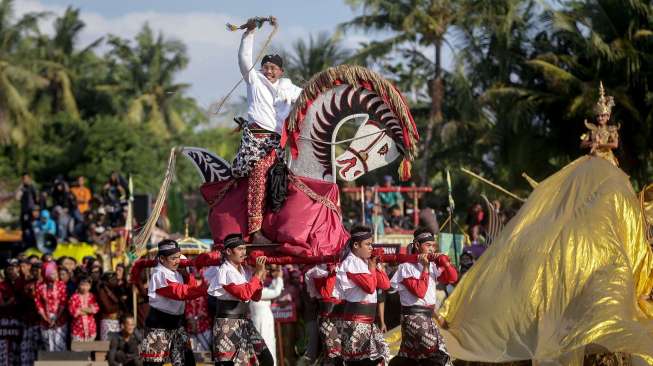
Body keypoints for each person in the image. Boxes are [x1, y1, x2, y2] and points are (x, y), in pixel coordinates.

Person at [439, 84, 653, 363]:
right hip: (590, 169)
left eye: (604, 116)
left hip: (607, 170)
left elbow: (613, 146)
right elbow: (585, 146)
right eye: (599, 116)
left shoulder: (612, 146)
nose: (601, 120)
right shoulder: (592, 148)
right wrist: (593, 145)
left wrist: (605, 145)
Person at [231, 17, 302, 243]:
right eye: (266, 67)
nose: (269, 71)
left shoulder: (290, 91)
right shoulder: (254, 80)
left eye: (273, 68)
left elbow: (310, 98)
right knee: (260, 174)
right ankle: (255, 231)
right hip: (256, 140)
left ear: (281, 71)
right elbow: (244, 58)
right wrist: (249, 33)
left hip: (278, 143)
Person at [390, 228, 457, 366]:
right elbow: (419, 292)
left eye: (433, 245)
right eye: (428, 245)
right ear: (417, 245)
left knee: (412, 358)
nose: (432, 249)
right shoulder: (406, 266)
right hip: (414, 318)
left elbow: (452, 278)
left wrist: (445, 262)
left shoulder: (432, 264)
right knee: (438, 356)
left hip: (427, 317)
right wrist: (425, 268)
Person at [208, 233, 274, 366]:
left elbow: (256, 297)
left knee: (267, 359)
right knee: (227, 364)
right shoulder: (225, 271)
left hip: (245, 322)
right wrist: (257, 275)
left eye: (245, 249)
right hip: (227, 324)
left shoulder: (245, 270)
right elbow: (244, 294)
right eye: (240, 249)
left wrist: (259, 277)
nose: (244, 252)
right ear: (228, 251)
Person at [139, 239, 207, 366]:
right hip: (159, 323)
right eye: (173, 258)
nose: (178, 261)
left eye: (178, 257)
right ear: (162, 259)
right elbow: (178, 292)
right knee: (154, 362)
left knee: (186, 361)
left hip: (178, 323)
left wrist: (187, 275)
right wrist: (203, 289)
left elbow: (190, 288)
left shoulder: (178, 272)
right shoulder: (159, 274)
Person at [334, 225, 391, 365]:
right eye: (367, 244)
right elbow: (370, 287)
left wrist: (377, 265)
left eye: (371, 244)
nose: (371, 248)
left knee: (379, 360)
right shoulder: (350, 262)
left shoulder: (366, 261)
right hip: (355, 323)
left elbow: (385, 285)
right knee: (360, 363)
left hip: (369, 323)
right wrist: (372, 267)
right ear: (355, 245)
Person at [305, 263, 342, 366]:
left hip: (342, 315)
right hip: (327, 315)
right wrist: (332, 273)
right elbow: (326, 293)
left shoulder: (344, 265)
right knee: (333, 353)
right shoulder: (316, 272)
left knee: (342, 354)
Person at [249, 264, 284, 365]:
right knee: (266, 346)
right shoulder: (255, 287)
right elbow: (276, 292)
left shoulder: (258, 286)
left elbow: (272, 290)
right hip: (261, 321)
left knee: (270, 344)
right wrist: (279, 277)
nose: (267, 272)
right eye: (265, 270)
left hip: (265, 319)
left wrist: (276, 277)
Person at [34, 261, 68, 351]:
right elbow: (38, 303)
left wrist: (55, 318)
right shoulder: (39, 286)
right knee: (48, 344)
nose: (56, 275)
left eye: (55, 272)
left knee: (60, 343)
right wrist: (46, 318)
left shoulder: (62, 285)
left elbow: (63, 303)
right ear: (46, 275)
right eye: (52, 273)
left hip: (60, 318)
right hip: (45, 319)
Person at [184, 270, 212, 352]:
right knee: (194, 354)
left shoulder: (207, 286)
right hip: (191, 329)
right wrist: (190, 320)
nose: (197, 270)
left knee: (205, 355)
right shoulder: (187, 286)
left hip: (205, 327)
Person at [68, 276, 100, 342]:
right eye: (82, 285)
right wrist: (88, 310)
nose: (84, 287)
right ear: (78, 285)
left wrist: (81, 309)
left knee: (89, 350)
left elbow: (95, 309)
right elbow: (73, 311)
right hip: (77, 329)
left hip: (90, 328)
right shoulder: (74, 297)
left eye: (87, 285)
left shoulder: (92, 296)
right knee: (78, 350)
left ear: (90, 286)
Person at [16, 173, 38, 245]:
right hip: (24, 211)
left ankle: (34, 242)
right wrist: (20, 187)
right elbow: (17, 197)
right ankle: (24, 243)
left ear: (29, 178)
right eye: (23, 178)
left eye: (26, 178)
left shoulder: (32, 187)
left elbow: (36, 199)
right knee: (24, 228)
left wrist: (35, 210)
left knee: (32, 227)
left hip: (31, 210)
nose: (24, 180)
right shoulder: (22, 188)